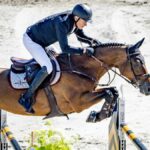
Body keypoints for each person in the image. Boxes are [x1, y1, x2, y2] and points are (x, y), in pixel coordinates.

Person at [19, 3, 101, 114]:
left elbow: (81, 36)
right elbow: (65, 48)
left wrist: (92, 41)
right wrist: (84, 51)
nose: (86, 24)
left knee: (59, 62)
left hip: (43, 41)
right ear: (77, 18)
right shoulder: (62, 23)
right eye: (85, 21)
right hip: (32, 41)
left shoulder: (74, 20)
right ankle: (26, 97)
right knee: (48, 67)